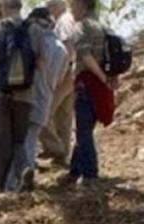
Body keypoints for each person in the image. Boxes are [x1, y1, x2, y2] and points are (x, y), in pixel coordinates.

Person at [0, 0, 45, 193]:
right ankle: (25, 171)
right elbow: (41, 64)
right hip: (25, 94)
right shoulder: (35, 29)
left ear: (3, 7)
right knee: (19, 139)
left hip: (1, 94)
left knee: (1, 141)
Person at [14, 8, 70, 190]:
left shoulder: (29, 41)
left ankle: (20, 175)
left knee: (20, 138)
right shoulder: (62, 49)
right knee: (31, 136)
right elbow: (61, 79)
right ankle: (26, 171)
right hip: (46, 97)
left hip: (23, 95)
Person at [65, 0, 112, 185]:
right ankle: (74, 171)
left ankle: (90, 174)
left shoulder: (82, 27)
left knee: (83, 132)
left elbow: (85, 56)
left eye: (72, 6)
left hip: (88, 83)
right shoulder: (103, 25)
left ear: (81, 5)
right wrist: (108, 78)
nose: (71, 11)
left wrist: (101, 77)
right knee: (86, 130)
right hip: (101, 85)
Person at [39, 0, 78, 165]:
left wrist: (60, 75)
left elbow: (68, 47)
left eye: (50, 7)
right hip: (74, 73)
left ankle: (56, 149)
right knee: (63, 115)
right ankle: (62, 156)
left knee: (42, 113)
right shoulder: (71, 19)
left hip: (67, 73)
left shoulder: (64, 21)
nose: (49, 11)